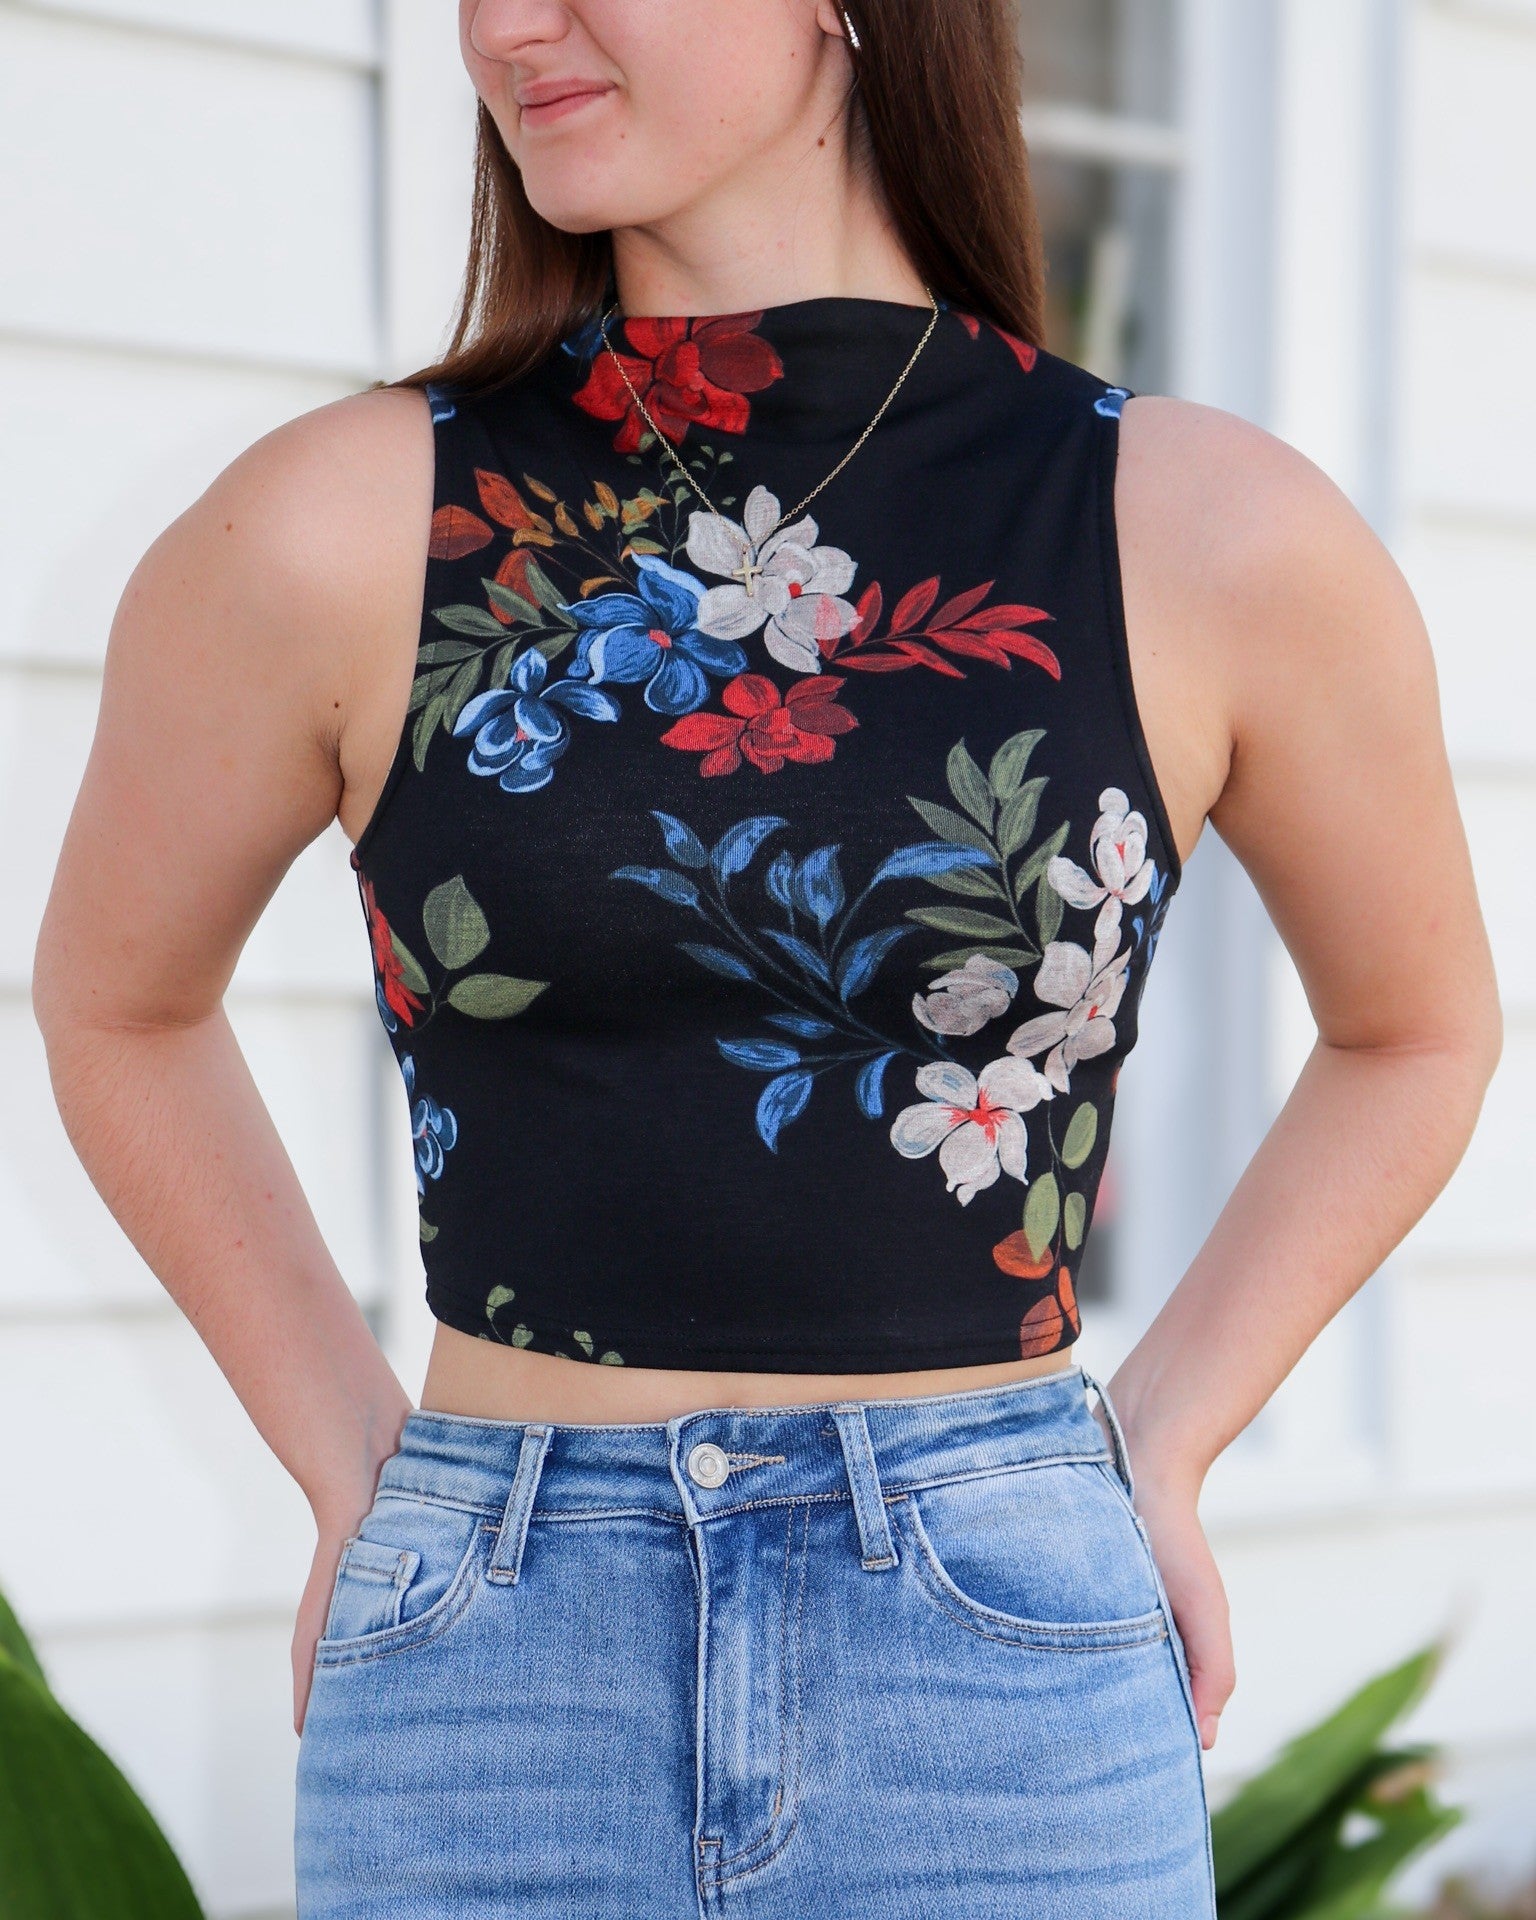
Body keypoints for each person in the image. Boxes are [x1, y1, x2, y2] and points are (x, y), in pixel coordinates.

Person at [31, 1, 1501, 1915]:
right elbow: (118, 1002)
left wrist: (1162, 1439)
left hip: (1003, 1683)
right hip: (492, 1677)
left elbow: (1419, 1031)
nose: (504, 24)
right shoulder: (334, 526)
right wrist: (351, 1463)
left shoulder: (1204, 531)